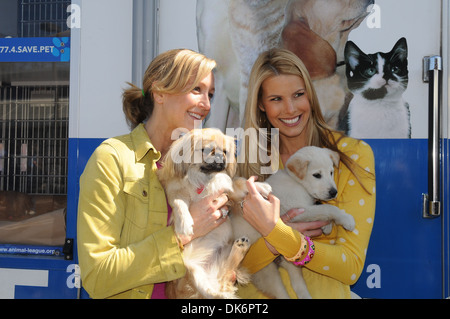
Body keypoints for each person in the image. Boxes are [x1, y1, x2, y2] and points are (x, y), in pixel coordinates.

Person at [77, 49, 230, 299]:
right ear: (159, 92)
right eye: (196, 90)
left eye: (210, 94)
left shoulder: (206, 165)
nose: (206, 105)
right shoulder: (112, 159)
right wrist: (181, 235)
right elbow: (97, 276)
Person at [237, 48, 376, 299]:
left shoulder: (351, 155)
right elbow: (233, 269)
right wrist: (273, 241)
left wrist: (289, 241)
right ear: (260, 104)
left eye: (298, 95)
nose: (290, 109)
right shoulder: (244, 163)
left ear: (310, 96)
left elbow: (352, 268)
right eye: (276, 99)